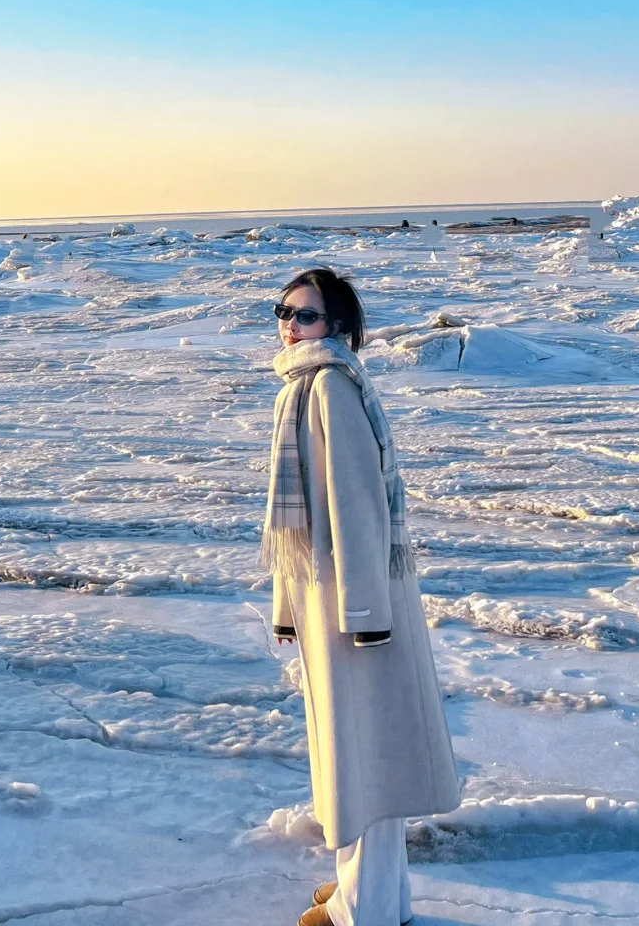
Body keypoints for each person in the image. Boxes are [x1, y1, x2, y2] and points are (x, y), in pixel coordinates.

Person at [264, 267, 460, 926]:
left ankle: (364, 910)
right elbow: (301, 524)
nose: (291, 324)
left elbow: (356, 507)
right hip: (333, 601)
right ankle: (372, 893)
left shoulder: (328, 392)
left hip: (354, 607)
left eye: (306, 315)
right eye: (283, 310)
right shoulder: (307, 389)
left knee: (368, 764)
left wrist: (367, 615)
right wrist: (289, 612)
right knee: (356, 757)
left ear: (339, 327)